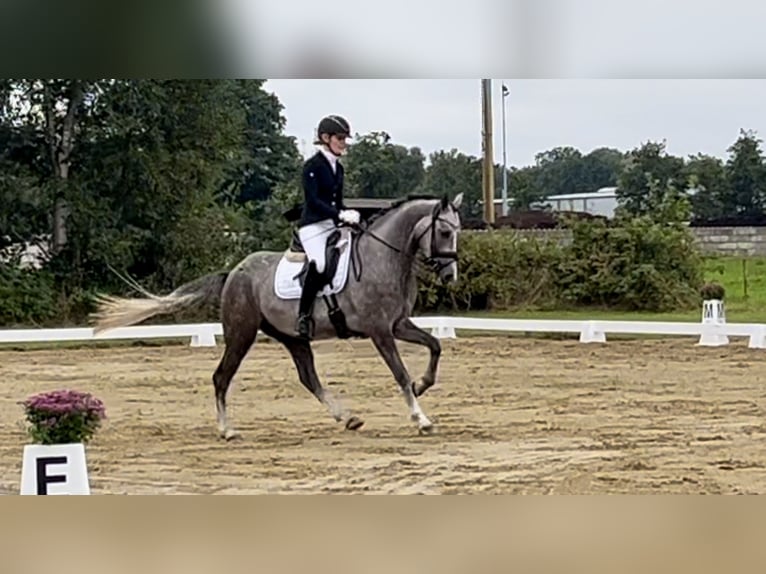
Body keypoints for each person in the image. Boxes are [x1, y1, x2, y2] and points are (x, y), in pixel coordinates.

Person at [295, 114, 360, 339]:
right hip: (312, 226)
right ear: (325, 138)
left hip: (332, 225)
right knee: (320, 264)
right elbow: (313, 201)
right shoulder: (312, 166)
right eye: (340, 138)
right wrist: (339, 213)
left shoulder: (339, 169)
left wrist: (347, 219)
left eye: (344, 139)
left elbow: (337, 200)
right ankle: (303, 316)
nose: (343, 143)